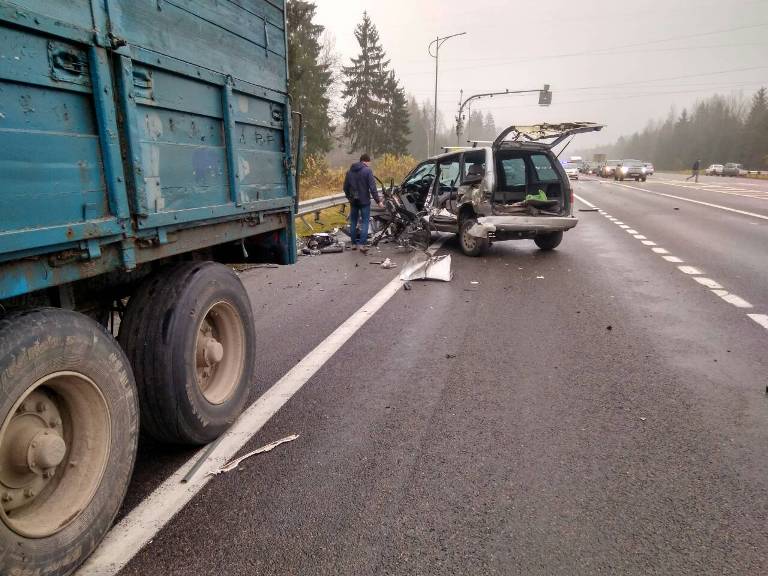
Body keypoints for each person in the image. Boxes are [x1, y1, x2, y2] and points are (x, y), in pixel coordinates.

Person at [343, 153, 383, 253]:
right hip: (364, 201)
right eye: (369, 162)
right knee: (365, 222)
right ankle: (362, 244)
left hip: (353, 201)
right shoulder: (367, 171)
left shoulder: (349, 172)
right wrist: (378, 201)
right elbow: (372, 188)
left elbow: (345, 187)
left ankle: (353, 244)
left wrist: (349, 197)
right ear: (366, 161)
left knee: (353, 222)